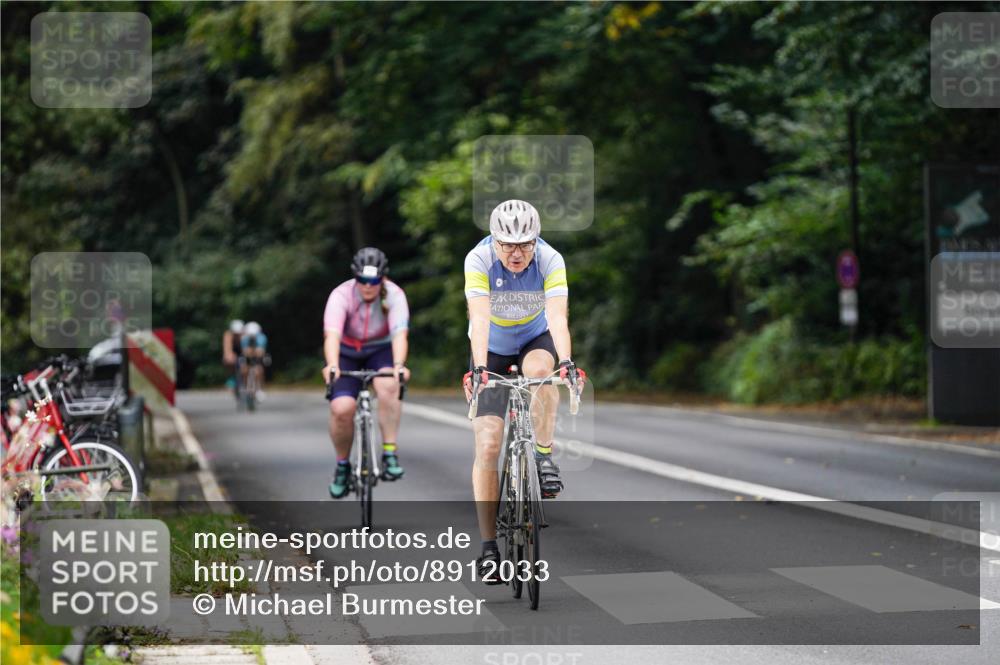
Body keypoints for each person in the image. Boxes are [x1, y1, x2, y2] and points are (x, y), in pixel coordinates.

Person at [462, 199, 586, 584]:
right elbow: (479, 319)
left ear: (536, 240)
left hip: (535, 337)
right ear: (494, 241)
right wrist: (480, 368)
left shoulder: (551, 259)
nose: (516, 253)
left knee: (541, 372)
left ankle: (544, 456)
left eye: (525, 244)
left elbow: (557, 316)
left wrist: (566, 359)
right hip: (492, 349)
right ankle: (487, 548)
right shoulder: (478, 259)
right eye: (507, 245)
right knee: (487, 445)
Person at [322, 247, 411, 499]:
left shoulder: (393, 294)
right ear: (355, 278)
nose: (368, 286)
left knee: (390, 385)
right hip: (346, 351)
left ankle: (390, 453)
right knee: (341, 409)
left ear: (382, 278)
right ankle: (342, 465)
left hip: (380, 350)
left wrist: (399, 365)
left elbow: (399, 335)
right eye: (362, 280)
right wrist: (331, 365)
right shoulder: (341, 295)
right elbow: (332, 335)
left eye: (373, 281)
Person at [240, 321, 268, 400]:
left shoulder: (262, 338)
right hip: (247, 357)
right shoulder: (244, 338)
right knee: (244, 370)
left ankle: (260, 389)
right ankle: (246, 388)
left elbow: (261, 352)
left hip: (258, 358)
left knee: (259, 370)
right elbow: (245, 352)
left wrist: (253, 352)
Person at [222, 320, 244, 392]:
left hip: (242, 352)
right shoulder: (228, 335)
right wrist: (229, 356)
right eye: (235, 333)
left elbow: (246, 350)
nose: (237, 335)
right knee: (228, 361)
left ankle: (245, 380)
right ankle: (231, 378)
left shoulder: (245, 335)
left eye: (238, 333)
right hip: (233, 352)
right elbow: (227, 349)